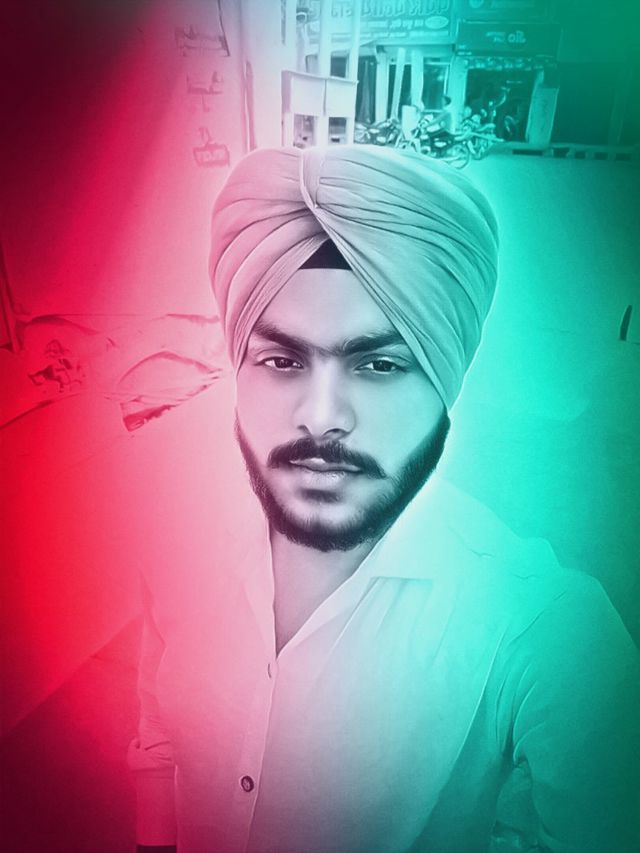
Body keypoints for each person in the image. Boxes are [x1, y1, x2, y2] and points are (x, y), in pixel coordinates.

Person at [128, 144, 640, 853]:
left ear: (445, 389)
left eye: (378, 363)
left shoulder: (545, 629)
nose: (321, 417)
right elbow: (157, 730)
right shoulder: (176, 544)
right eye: (282, 360)